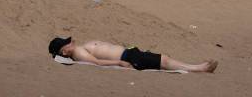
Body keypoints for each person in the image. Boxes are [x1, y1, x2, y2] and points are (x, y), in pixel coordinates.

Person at [48, 37, 217, 73]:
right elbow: (97, 62)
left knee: (163, 58)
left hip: (128, 52)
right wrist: (120, 63)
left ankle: (197, 67)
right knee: (163, 60)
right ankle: (199, 68)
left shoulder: (78, 49)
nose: (72, 42)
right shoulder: (78, 53)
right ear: (64, 50)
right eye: (67, 42)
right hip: (126, 58)